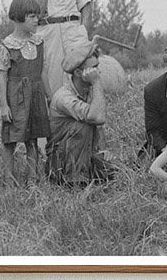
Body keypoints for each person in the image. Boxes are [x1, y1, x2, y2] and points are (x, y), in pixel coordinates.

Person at [46, 37, 116, 187]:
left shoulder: (89, 90)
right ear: (78, 72)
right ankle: (75, 181)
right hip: (60, 162)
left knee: (116, 171)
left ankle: (87, 175)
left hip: (85, 154)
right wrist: (97, 82)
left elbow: (100, 126)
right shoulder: (64, 97)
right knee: (83, 125)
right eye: (93, 69)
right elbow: (97, 118)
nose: (98, 72)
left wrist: (103, 150)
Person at [0, 0, 51, 186]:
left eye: (37, 16)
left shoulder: (39, 43)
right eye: (32, 16)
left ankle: (32, 180)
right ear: (19, 17)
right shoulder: (7, 45)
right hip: (16, 97)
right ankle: (9, 181)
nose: (37, 20)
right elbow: (2, 76)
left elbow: (42, 72)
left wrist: (49, 96)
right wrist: (4, 105)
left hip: (35, 95)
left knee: (33, 139)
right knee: (10, 139)